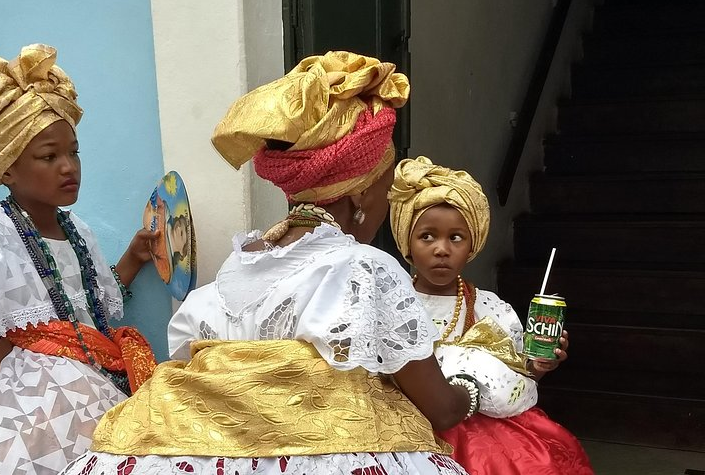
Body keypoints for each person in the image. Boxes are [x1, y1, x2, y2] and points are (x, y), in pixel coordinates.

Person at [61, 51, 472, 475]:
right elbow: (441, 410)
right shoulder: (364, 270)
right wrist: (472, 388)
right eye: (385, 187)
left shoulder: (230, 277)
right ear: (359, 197)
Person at [0, 44, 158, 475]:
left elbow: (93, 303)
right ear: (7, 169)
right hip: (32, 393)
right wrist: (48, 362)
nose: (69, 167)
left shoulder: (78, 230)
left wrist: (133, 259)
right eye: (49, 156)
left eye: (74, 152)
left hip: (96, 368)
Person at [389, 155, 595, 475]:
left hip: (480, 437)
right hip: (405, 429)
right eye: (427, 236)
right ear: (406, 244)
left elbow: (516, 377)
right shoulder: (392, 304)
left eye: (455, 237)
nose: (441, 249)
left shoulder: (488, 307)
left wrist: (539, 365)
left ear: (472, 246)